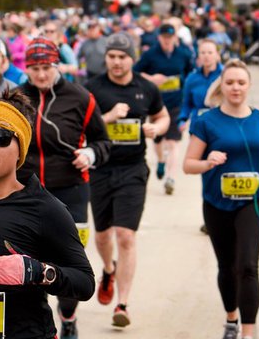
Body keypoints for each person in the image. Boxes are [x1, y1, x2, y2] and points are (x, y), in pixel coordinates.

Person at [0, 97, 95, 339]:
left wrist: (37, 272)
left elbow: (84, 282)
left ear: (20, 149)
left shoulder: (45, 208)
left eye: (0, 138)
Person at [183, 61, 259, 339]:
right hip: (217, 204)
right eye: (230, 82)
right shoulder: (206, 121)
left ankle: (249, 333)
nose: (236, 88)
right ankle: (231, 318)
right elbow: (188, 164)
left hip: (254, 202)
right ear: (222, 86)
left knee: (248, 266)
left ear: (249, 85)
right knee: (227, 266)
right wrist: (208, 162)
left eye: (241, 82)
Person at [17, 38, 112, 338]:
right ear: (26, 68)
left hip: (70, 188)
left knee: (70, 260)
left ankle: (68, 315)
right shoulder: (16, 97)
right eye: (34, 69)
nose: (41, 75)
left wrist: (91, 154)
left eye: (46, 67)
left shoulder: (81, 97)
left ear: (57, 66)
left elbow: (103, 141)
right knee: (26, 260)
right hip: (26, 191)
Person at [85, 31, 169, 328]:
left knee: (126, 235)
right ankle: (108, 269)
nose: (117, 62)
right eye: (112, 57)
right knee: (103, 235)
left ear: (131, 58)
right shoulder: (92, 88)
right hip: (101, 169)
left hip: (133, 169)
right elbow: (80, 128)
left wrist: (156, 129)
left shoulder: (145, 88)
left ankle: (122, 303)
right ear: (105, 58)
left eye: (122, 57)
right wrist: (107, 117)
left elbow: (163, 116)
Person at [133, 23, 194, 195]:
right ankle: (160, 160)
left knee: (173, 142)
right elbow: (135, 73)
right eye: (164, 38)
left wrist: (180, 80)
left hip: (176, 103)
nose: (167, 41)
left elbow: (190, 74)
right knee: (158, 140)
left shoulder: (183, 54)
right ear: (159, 37)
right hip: (156, 105)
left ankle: (170, 178)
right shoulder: (150, 54)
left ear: (175, 38)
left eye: (170, 38)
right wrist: (151, 79)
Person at [179, 39, 224, 131]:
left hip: (220, 124)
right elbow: (187, 103)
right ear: (198, 56)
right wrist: (182, 120)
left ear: (217, 55)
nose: (206, 56)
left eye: (210, 52)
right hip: (198, 125)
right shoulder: (192, 78)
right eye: (203, 53)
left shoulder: (225, 75)